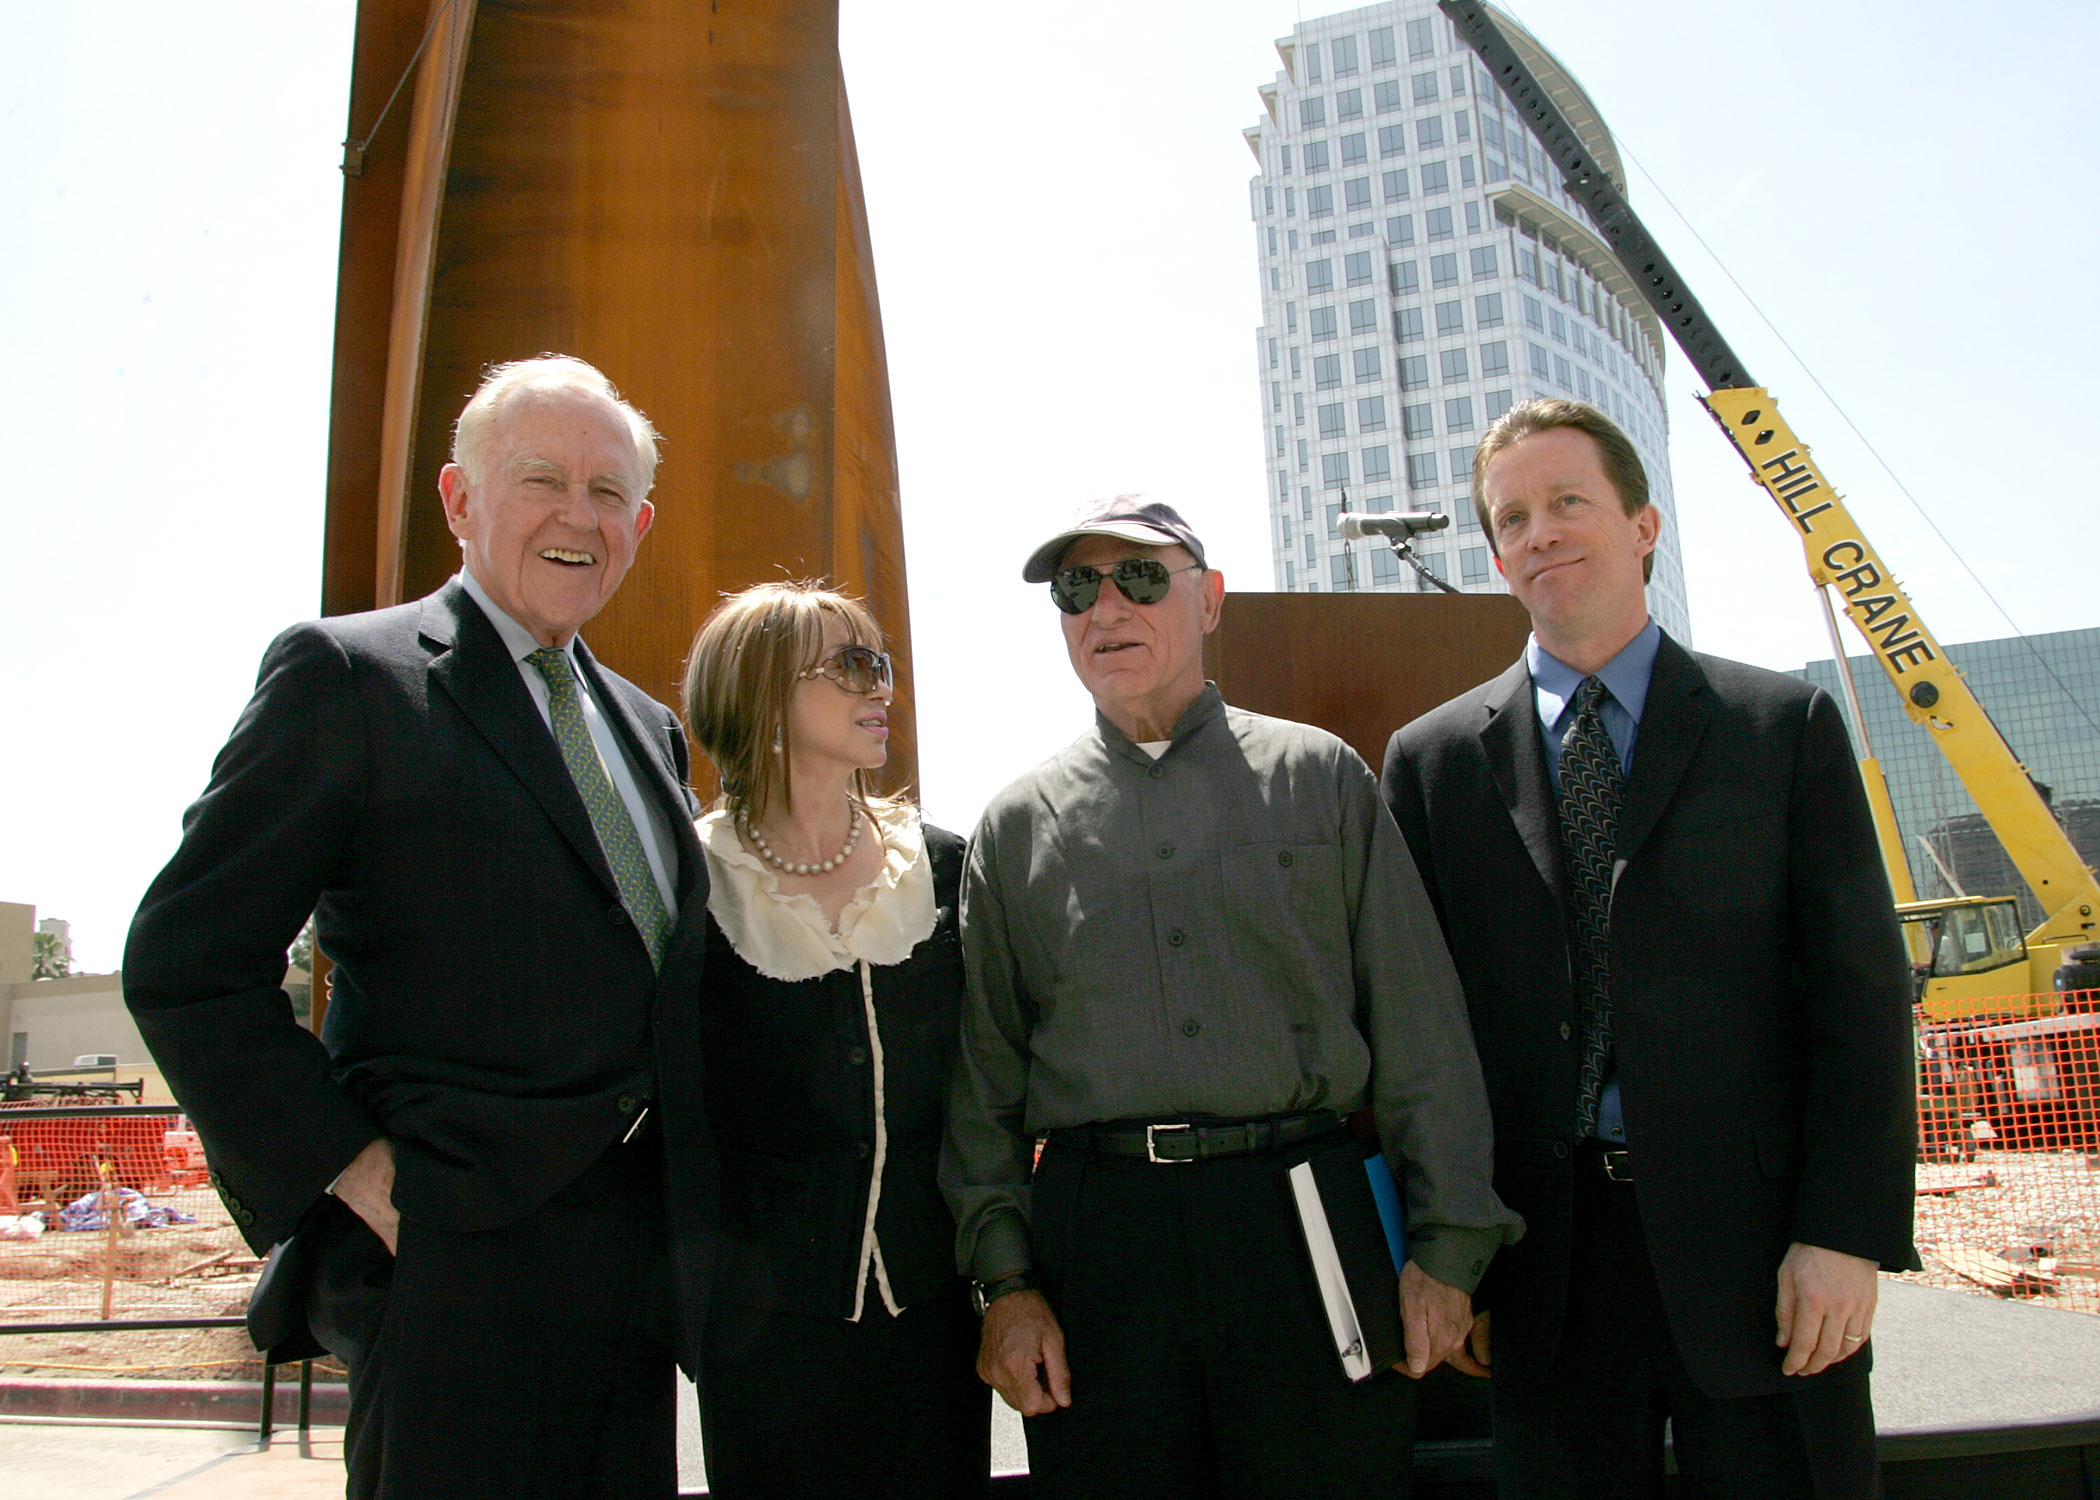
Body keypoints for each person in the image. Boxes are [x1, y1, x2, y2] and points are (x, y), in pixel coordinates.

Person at [123, 356, 716, 1499]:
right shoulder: (349, 678)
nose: (577, 516)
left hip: (631, 1277)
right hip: (450, 1262)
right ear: (459, 500)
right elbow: (187, 965)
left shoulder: (647, 727)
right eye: (542, 479)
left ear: (639, 526)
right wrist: (346, 1166)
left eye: (607, 493)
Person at [1381, 399, 1917, 1498]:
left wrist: (1844, 1234)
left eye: (1568, 502)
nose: (1541, 533)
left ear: (1643, 524)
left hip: (1764, 1262)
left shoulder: (1781, 729)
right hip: (1545, 1273)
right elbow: (1421, 1042)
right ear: (1495, 554)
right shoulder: (1430, 766)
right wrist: (1452, 1250)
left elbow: (1861, 1008)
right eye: (1514, 516)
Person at [942, 496, 1520, 1500]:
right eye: (1077, 588)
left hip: (1305, 1216)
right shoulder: (1015, 827)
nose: (1105, 606)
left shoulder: (1321, 778)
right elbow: (983, 1085)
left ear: (1208, 600)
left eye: (1140, 578)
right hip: (1101, 1241)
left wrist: (1448, 1247)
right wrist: (1007, 1282)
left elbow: (1422, 1029)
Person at [681, 582, 988, 1498]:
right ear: (763, 690)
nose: (880, 687)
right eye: (852, 666)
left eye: (882, 664)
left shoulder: (942, 862)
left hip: (935, 1323)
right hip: (763, 1334)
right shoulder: (688, 881)